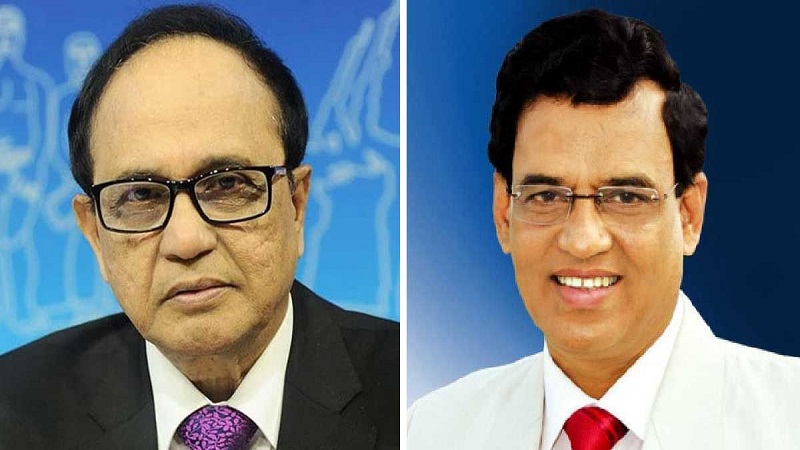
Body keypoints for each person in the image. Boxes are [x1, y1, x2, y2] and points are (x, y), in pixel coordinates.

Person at [0, 4, 399, 449]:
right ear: (95, 235)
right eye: (141, 196)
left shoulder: (412, 400)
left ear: (296, 205)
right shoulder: (12, 411)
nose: (186, 240)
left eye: (227, 184)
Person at [408, 9, 800, 449]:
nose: (582, 241)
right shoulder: (430, 430)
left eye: (626, 198)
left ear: (689, 215)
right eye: (547, 196)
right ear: (504, 213)